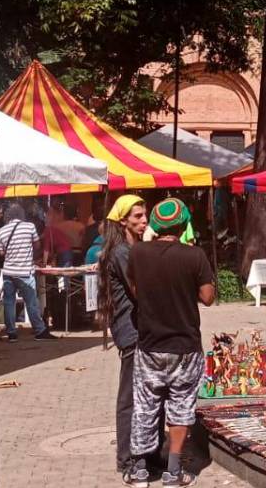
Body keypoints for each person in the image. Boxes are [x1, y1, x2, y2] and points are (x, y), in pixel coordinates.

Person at [124, 198, 215, 488]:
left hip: (150, 343)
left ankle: (139, 471)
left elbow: (135, 291)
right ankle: (173, 472)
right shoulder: (194, 255)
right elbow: (208, 297)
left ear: (155, 224)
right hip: (185, 346)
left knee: (145, 405)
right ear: (183, 224)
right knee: (181, 407)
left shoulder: (138, 253)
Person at [96, 194, 149, 479]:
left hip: (134, 328)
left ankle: (145, 453)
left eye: (145, 215)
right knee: (129, 397)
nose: (144, 221)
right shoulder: (121, 252)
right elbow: (139, 290)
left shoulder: (130, 248)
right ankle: (127, 460)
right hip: (131, 330)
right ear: (123, 220)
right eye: (138, 217)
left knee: (144, 395)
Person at [0, 204, 53, 342]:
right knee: (31, 302)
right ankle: (39, 330)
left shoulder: (1, 231)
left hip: (8, 271)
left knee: (9, 302)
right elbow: (37, 245)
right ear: (21, 214)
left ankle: (11, 333)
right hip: (25, 272)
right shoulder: (29, 227)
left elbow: (1, 252)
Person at [53, 202, 86, 266]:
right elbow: (84, 241)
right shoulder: (81, 226)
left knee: (62, 274)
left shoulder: (58, 226)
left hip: (63, 253)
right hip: (78, 253)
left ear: (64, 213)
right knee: (77, 275)